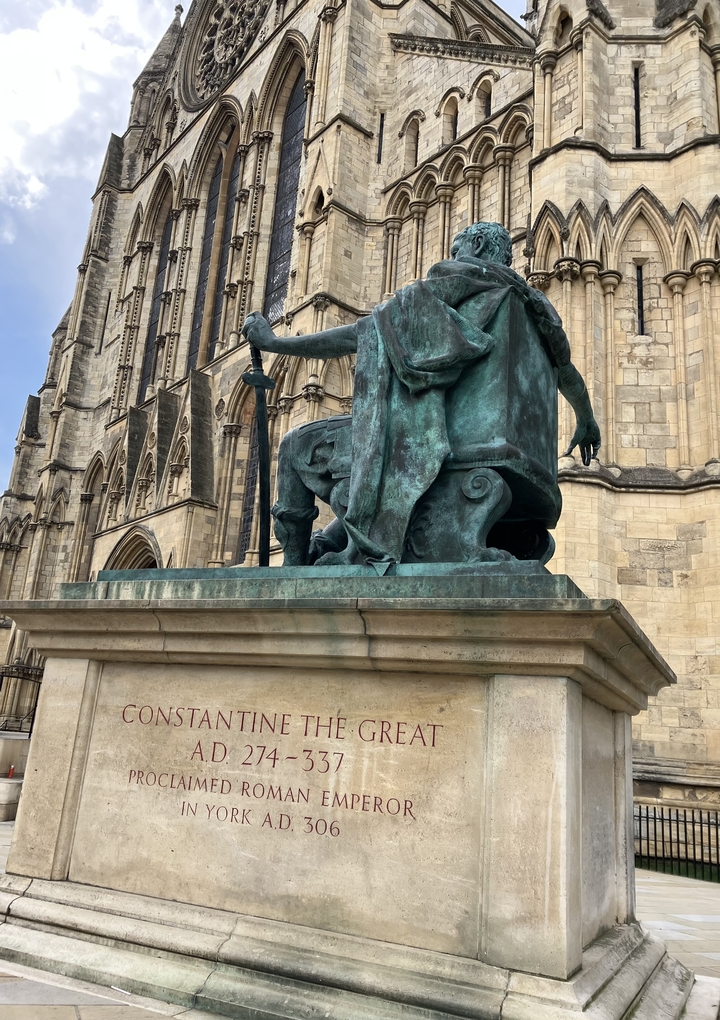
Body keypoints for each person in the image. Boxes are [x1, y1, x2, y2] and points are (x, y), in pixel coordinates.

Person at [242, 221, 600, 566]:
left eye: (456, 247)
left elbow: (361, 335)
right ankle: (329, 543)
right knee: (379, 463)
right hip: (516, 464)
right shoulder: (535, 308)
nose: (454, 254)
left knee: (295, 444)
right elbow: (565, 372)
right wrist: (585, 418)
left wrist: (275, 343)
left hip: (446, 444)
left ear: (475, 247)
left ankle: (292, 572)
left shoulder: (458, 282)